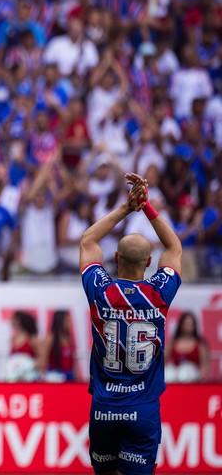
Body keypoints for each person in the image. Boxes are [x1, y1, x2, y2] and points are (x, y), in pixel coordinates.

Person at [79, 172, 182, 475]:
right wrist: (147, 207)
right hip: (143, 410)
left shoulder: (100, 290)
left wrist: (126, 208)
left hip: (105, 410)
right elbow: (174, 248)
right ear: (149, 263)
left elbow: (87, 240)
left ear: (114, 257)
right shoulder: (158, 293)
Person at [166, 312, 209, 382]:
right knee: (169, 372)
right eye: (186, 324)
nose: (188, 327)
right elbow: (164, 360)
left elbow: (204, 365)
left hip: (193, 375)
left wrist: (202, 378)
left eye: (191, 324)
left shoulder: (200, 343)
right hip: (175, 374)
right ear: (181, 325)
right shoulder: (173, 342)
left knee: (185, 372)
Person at [40, 310, 80, 382]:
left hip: (69, 376)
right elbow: (43, 361)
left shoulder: (69, 339)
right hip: (54, 377)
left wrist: (76, 377)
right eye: (67, 321)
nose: (70, 324)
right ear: (60, 321)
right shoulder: (50, 338)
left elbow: (73, 362)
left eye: (70, 321)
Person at [6, 311, 41, 382]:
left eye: (14, 319)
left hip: (29, 377)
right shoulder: (13, 338)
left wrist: (28, 366)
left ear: (20, 321)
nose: (11, 321)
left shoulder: (32, 339)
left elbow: (41, 360)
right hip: (15, 377)